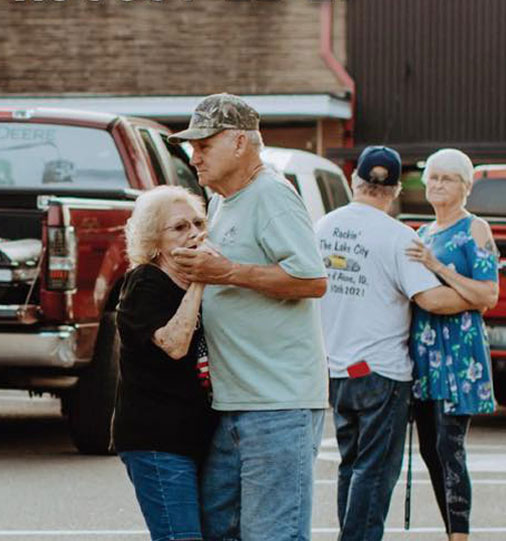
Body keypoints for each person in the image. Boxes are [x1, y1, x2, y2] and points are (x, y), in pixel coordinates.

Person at [168, 93, 328, 541]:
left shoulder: (271, 194)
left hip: (278, 405)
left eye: (204, 145)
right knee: (221, 529)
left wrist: (228, 272)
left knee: (272, 534)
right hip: (235, 402)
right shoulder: (221, 202)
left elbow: (312, 280)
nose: (193, 155)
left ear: (240, 143)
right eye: (191, 146)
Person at [316, 146, 472, 541]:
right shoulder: (398, 236)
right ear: (397, 189)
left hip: (336, 368)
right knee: (375, 471)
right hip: (383, 372)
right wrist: (479, 297)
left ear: (355, 181)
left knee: (350, 465)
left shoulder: (323, 227)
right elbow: (431, 299)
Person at [405, 148, 500, 541]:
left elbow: (489, 294)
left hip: (459, 354)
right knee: (430, 448)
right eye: (433, 178)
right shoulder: (423, 233)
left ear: (465, 187)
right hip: (425, 351)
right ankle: (450, 530)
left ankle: (460, 535)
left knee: (449, 446)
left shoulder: (474, 228)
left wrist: (438, 268)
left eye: (447, 178)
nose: (438, 185)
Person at [113, 185, 217, 541]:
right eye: (179, 228)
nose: (194, 234)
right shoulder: (144, 282)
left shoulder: (201, 282)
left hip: (199, 436)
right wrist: (200, 284)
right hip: (156, 439)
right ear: (154, 241)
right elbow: (174, 344)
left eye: (198, 223)